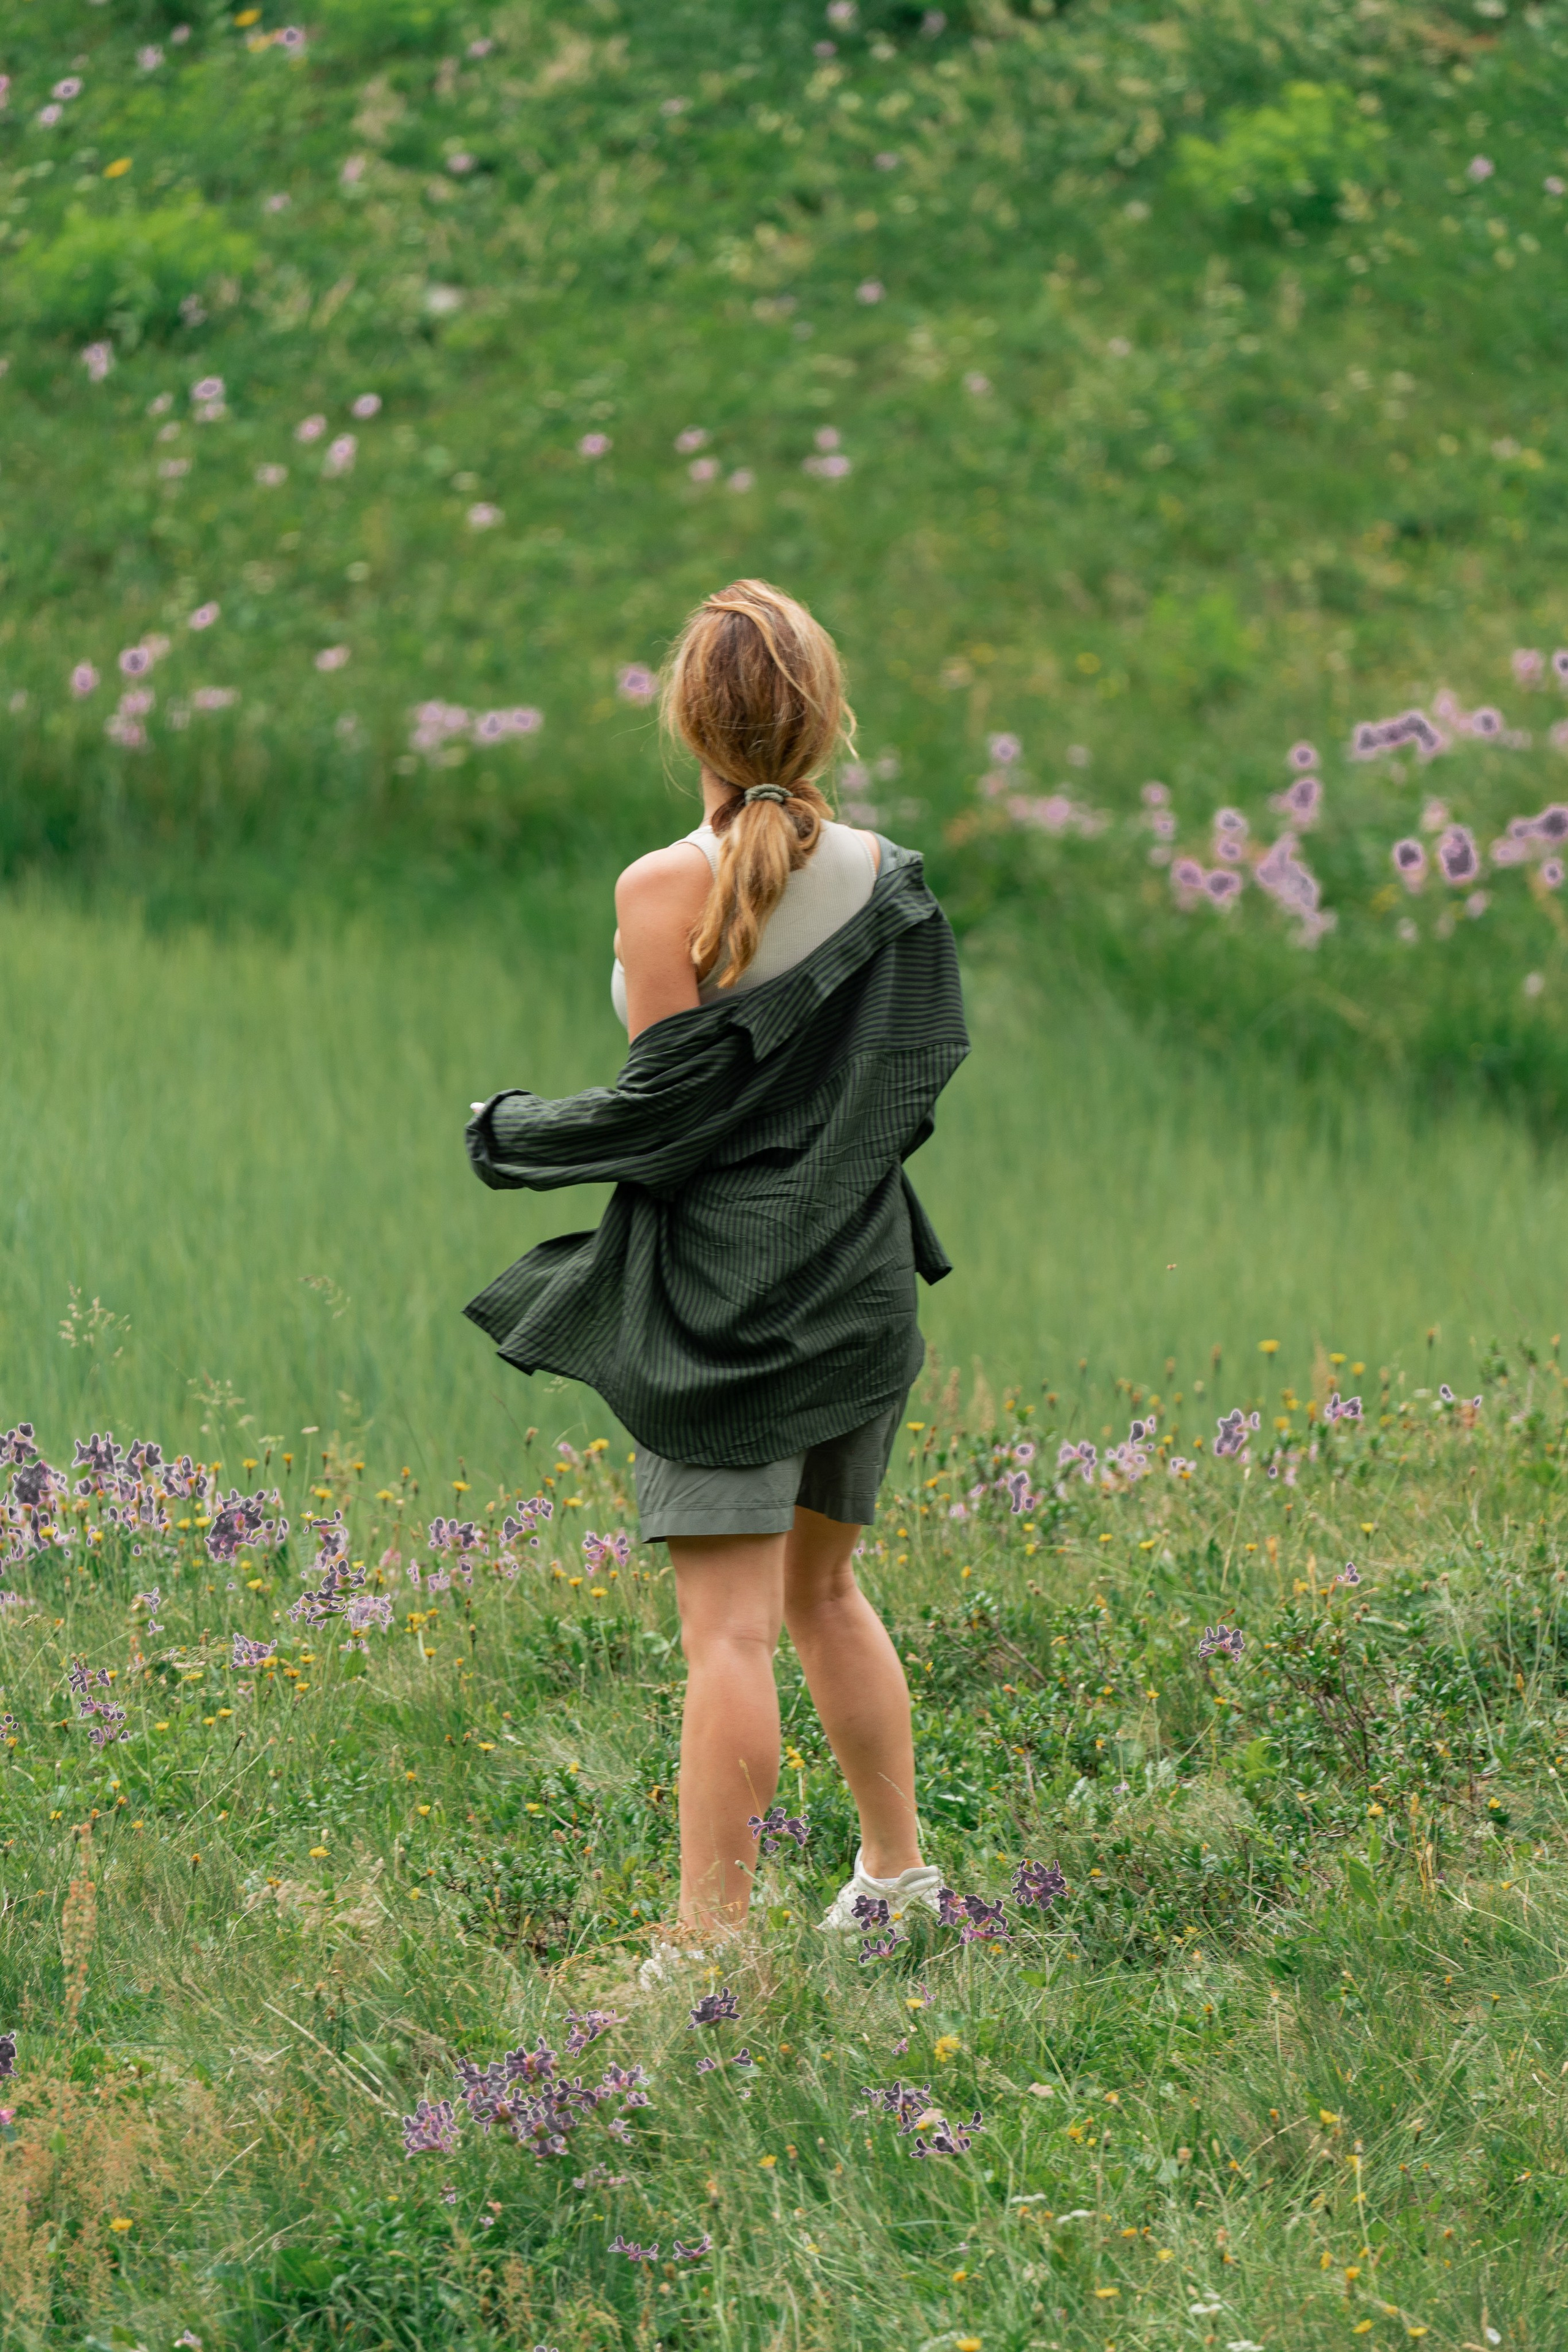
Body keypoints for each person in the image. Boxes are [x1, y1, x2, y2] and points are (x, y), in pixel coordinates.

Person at [463, 579, 968, 1966]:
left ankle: (705, 1952)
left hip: (718, 1306)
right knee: (825, 1596)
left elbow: (660, 1114)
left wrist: (507, 1134)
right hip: (862, 1281)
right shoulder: (894, 881)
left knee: (727, 1639)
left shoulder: (660, 886)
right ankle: (893, 1881)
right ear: (824, 714)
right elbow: (915, 1074)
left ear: (686, 716)